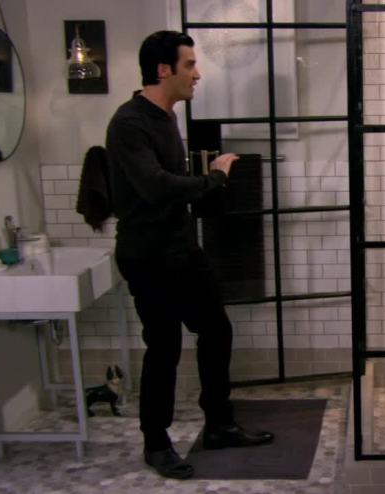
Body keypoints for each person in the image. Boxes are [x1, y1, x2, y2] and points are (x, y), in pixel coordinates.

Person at [106, 30, 273, 480]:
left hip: (181, 247)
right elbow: (155, 187)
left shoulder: (166, 117)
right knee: (164, 346)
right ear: (164, 70)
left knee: (216, 329)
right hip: (147, 254)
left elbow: (169, 186)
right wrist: (214, 178)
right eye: (190, 65)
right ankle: (156, 443)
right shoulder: (129, 123)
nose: (197, 74)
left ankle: (218, 424)